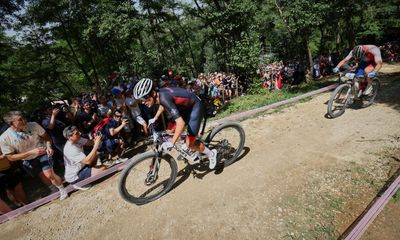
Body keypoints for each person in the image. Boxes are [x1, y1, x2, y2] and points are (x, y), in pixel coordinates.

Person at [133, 78, 218, 169]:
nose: (142, 102)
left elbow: (180, 123)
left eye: (143, 98)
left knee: (190, 143)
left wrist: (172, 143)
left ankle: (211, 154)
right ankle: (186, 145)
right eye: (140, 100)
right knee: (170, 130)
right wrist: (155, 117)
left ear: (152, 94)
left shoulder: (163, 97)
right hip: (186, 107)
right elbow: (163, 104)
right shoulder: (159, 95)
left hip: (195, 107)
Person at [0, 111, 68, 200]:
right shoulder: (4, 138)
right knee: (43, 176)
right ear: (11, 123)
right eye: (20, 120)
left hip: (42, 152)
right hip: (27, 160)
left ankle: (62, 190)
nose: (24, 120)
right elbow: (11, 157)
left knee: (48, 174)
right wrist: (31, 152)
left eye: (23, 117)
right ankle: (55, 190)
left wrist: (48, 147)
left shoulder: (33, 125)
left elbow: (46, 137)